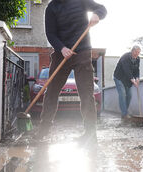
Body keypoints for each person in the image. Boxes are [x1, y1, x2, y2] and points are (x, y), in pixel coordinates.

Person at [35, 0, 107, 144]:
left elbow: (102, 8)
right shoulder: (51, 7)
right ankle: (43, 130)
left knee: (86, 92)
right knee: (51, 91)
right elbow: (51, 33)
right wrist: (62, 48)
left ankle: (90, 133)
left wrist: (97, 15)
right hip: (61, 53)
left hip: (82, 51)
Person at [113, 46, 141, 121]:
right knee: (122, 94)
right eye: (135, 52)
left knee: (129, 95)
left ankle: (124, 113)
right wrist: (133, 81)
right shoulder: (125, 57)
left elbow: (137, 69)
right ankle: (125, 114)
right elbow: (127, 70)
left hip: (127, 80)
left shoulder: (138, 59)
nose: (137, 54)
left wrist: (137, 78)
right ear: (132, 51)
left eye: (138, 53)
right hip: (119, 78)